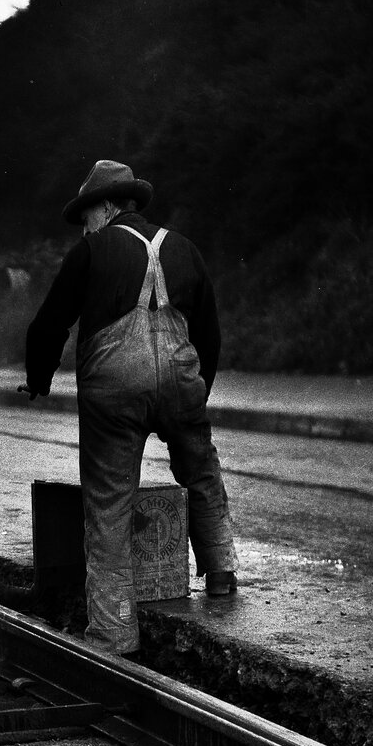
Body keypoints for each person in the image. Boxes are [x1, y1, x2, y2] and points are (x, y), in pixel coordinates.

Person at [21, 159, 239, 656]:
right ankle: (222, 572)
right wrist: (197, 388)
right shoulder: (185, 248)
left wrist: (38, 378)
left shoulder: (92, 251)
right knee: (201, 469)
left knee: (109, 504)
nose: (84, 224)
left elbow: (49, 323)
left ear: (105, 206)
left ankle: (114, 635)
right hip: (182, 377)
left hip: (115, 384)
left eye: (86, 214)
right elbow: (209, 332)